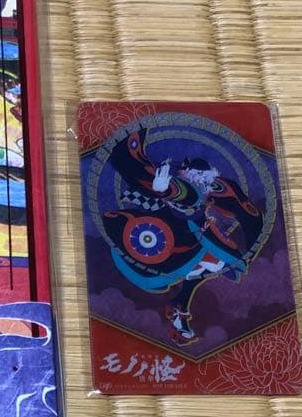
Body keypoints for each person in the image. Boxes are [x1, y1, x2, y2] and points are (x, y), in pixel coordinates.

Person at [102, 128, 264, 343]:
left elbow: (242, 210)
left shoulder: (209, 190)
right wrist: (165, 189)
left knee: (209, 266)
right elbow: (182, 193)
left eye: (205, 180)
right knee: (209, 263)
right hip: (171, 235)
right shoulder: (189, 190)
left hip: (192, 237)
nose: (203, 184)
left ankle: (179, 307)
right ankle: (179, 308)